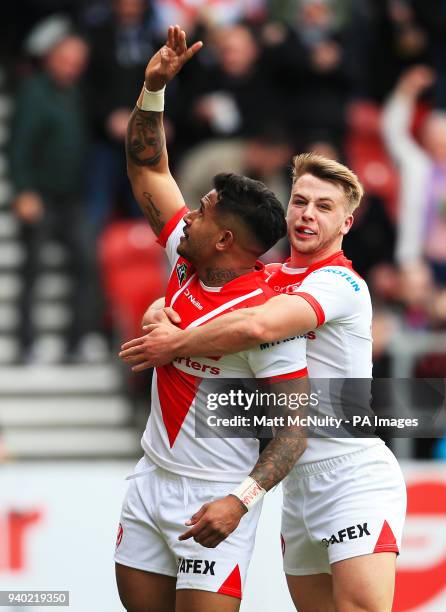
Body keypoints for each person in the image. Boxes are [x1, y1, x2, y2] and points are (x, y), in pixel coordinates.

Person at [121, 150, 407, 610]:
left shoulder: (341, 284)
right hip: (295, 485)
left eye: (325, 206)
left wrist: (174, 342)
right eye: (300, 201)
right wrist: (161, 307)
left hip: (353, 474)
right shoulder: (270, 278)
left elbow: (257, 327)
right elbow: (209, 288)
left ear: (346, 224)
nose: (308, 214)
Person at [115, 26, 309, 612]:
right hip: (150, 483)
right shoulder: (185, 252)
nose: (188, 213)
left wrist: (241, 500)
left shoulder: (270, 316)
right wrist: (153, 90)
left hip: (214, 498)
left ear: (225, 238)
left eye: (202, 210)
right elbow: (147, 169)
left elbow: (294, 430)